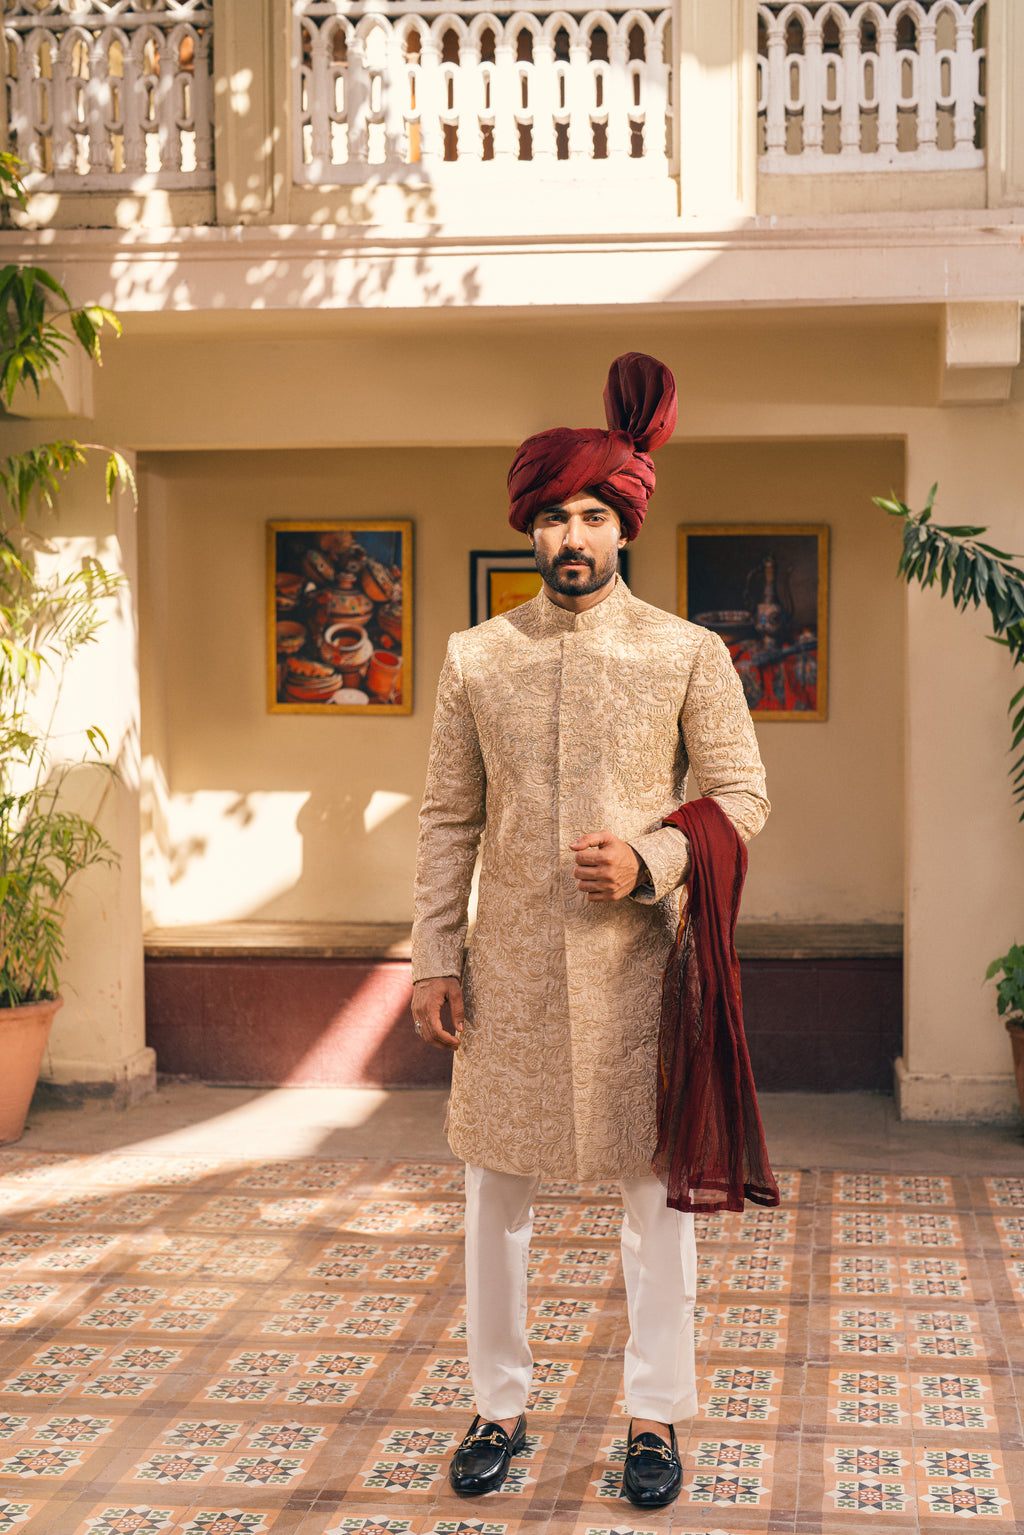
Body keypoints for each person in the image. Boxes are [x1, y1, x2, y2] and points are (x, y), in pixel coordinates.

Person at [411, 352, 769, 1507]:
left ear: (623, 526)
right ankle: (496, 1406)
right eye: (556, 512)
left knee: (653, 1205)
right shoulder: (478, 656)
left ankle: (655, 1416)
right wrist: (432, 953)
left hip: (637, 974)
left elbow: (742, 791)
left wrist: (657, 855)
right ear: (531, 526)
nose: (574, 532)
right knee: (492, 1203)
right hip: (508, 969)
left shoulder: (685, 651)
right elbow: (447, 815)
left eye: (594, 513)